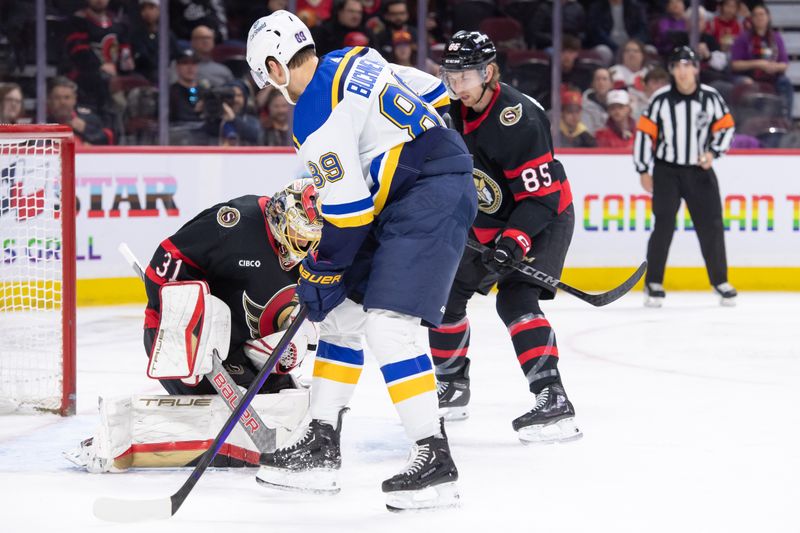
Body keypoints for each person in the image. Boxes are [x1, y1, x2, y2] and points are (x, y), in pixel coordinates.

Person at [246, 11, 475, 511]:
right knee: (342, 316)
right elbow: (433, 94)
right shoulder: (353, 57)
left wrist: (318, 269)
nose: (272, 90)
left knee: (389, 327)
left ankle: (435, 459)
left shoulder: (313, 116)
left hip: (422, 192)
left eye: (267, 78)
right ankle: (321, 443)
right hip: (413, 187)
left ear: (275, 67)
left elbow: (347, 216)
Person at [66, 179, 321, 473]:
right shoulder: (237, 223)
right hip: (183, 340)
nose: (303, 245)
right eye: (298, 235)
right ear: (280, 214)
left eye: (309, 238)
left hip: (239, 347)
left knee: (276, 396)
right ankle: (123, 436)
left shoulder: (311, 249)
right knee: (230, 401)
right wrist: (183, 320)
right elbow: (165, 261)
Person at [433, 31, 582, 445]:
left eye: (464, 76)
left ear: (489, 72)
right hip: (488, 223)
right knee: (442, 293)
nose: (456, 84)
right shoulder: (448, 111)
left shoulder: (520, 118)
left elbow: (542, 197)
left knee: (515, 298)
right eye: (450, 75)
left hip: (544, 217)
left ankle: (552, 398)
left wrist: (514, 239)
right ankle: (452, 386)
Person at [633, 46, 737, 307]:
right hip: (667, 171)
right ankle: (653, 283)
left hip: (700, 171)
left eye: (686, 65)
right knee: (663, 225)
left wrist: (713, 153)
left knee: (711, 226)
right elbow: (645, 134)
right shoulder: (660, 99)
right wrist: (643, 169)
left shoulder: (711, 98)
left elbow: (726, 127)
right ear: (672, 70)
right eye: (677, 65)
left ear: (695, 68)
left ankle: (720, 281)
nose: (682, 71)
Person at [65, 0, 134, 113]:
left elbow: (124, 50)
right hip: (87, 74)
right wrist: (100, 66)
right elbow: (79, 51)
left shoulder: (119, 22)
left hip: (115, 73)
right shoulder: (78, 20)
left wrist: (124, 66)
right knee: (114, 97)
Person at [730, 4, 793, 120]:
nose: (759, 18)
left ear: (768, 17)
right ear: (752, 19)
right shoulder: (743, 38)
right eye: (756, 15)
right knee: (744, 83)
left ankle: (785, 121)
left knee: (785, 82)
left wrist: (774, 67)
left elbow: (784, 64)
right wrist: (758, 64)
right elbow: (735, 64)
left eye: (762, 14)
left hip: (771, 76)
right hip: (749, 75)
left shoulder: (776, 38)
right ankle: (747, 123)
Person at [47, 77, 114, 145]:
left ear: (74, 99)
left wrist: (86, 129)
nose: (62, 102)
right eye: (57, 98)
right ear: (49, 100)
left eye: (67, 97)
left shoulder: (90, 120)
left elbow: (108, 139)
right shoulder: (42, 122)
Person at [131, 0, 179, 84]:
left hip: (168, 74)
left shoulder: (167, 34)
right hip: (145, 76)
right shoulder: (136, 35)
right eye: (143, 9)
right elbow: (143, 59)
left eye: (151, 8)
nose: (147, 12)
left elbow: (178, 55)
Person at [169, 49, 203, 123]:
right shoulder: (170, 93)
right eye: (185, 63)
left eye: (194, 63)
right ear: (177, 67)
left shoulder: (205, 92)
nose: (190, 67)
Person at [582, 67, 612, 134]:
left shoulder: (619, 104)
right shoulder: (584, 106)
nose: (601, 83)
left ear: (611, 84)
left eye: (605, 79)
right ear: (592, 84)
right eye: (597, 79)